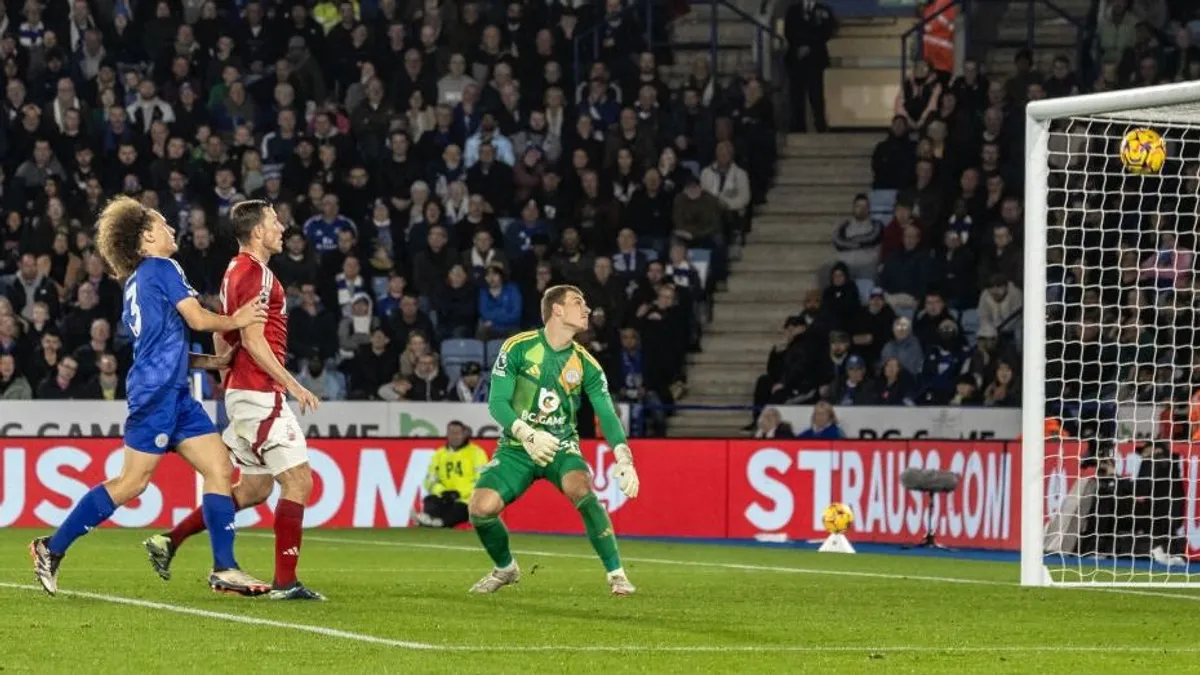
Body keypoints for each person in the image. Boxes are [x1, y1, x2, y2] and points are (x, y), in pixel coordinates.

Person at [30, 196, 270, 597]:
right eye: (162, 225)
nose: (171, 229)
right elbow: (196, 318)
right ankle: (50, 549)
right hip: (157, 395)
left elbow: (163, 344)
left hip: (173, 393)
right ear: (145, 239)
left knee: (220, 469)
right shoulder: (162, 267)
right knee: (131, 484)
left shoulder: (138, 280)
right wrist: (238, 319)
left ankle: (224, 568)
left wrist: (212, 362)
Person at [143, 200, 324, 601]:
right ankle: (286, 583)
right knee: (299, 481)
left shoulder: (235, 271)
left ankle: (170, 541)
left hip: (244, 391)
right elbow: (253, 339)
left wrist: (228, 380)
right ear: (257, 231)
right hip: (260, 390)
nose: (282, 227)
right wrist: (292, 385)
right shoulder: (254, 272)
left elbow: (223, 332)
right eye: (275, 221)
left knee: (256, 489)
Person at [469, 284, 641, 595]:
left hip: (561, 445)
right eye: (579, 302)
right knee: (480, 510)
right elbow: (497, 403)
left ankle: (616, 574)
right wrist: (527, 433)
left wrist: (624, 457)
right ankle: (506, 568)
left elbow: (607, 413)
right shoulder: (517, 347)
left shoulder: (586, 363)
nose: (587, 309)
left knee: (580, 487)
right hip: (517, 447)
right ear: (557, 310)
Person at [414, 421, 490, 528]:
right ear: (447, 434)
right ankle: (429, 519)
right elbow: (429, 481)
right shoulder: (439, 454)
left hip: (466, 500)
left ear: (464, 434)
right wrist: (442, 491)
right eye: (451, 433)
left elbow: (482, 480)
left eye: (457, 433)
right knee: (430, 500)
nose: (454, 437)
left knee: (461, 508)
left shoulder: (476, 453)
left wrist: (459, 493)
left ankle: (436, 522)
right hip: (444, 497)